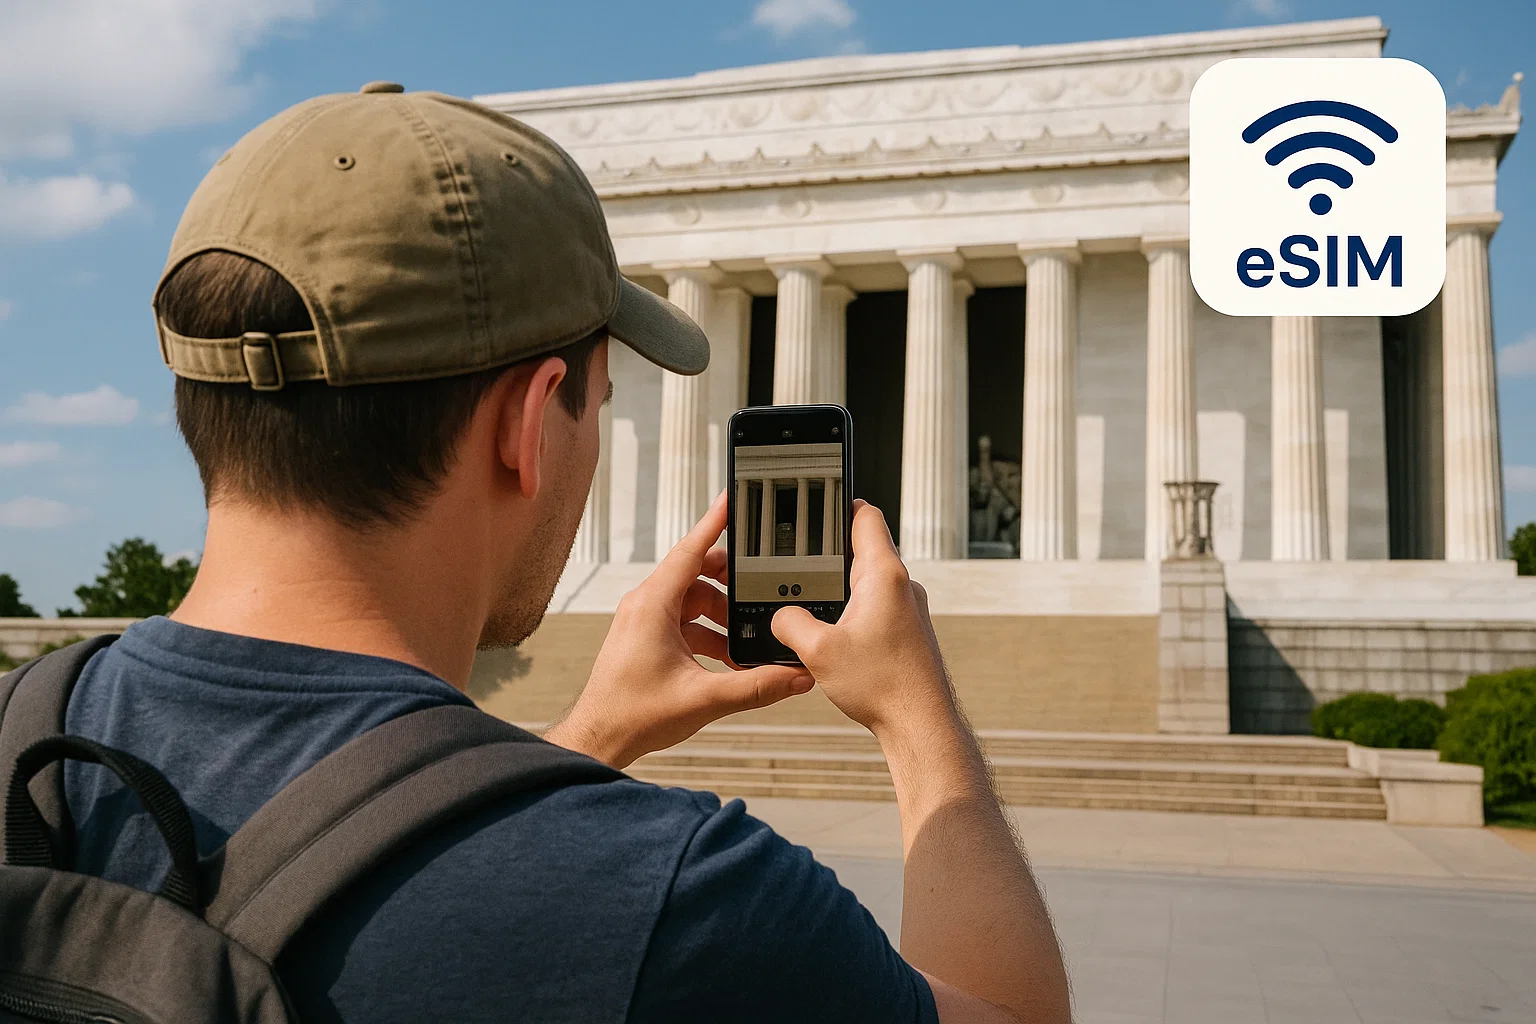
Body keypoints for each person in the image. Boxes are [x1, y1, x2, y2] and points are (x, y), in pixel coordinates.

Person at [64, 84, 1070, 1023]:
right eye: (601, 401)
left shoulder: (29, 732)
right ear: (531, 422)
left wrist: (587, 732)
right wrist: (916, 714)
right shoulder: (680, 893)